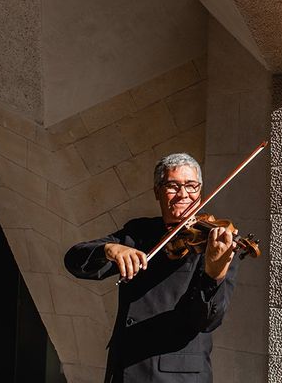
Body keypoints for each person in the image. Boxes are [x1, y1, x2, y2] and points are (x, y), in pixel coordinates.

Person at [64, 153, 239, 383]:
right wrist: (110, 249)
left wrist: (214, 272)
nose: (183, 194)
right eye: (173, 186)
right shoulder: (138, 233)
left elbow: (207, 320)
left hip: (177, 377)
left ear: (200, 190)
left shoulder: (216, 243)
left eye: (191, 186)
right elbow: (74, 261)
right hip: (126, 371)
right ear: (157, 191)